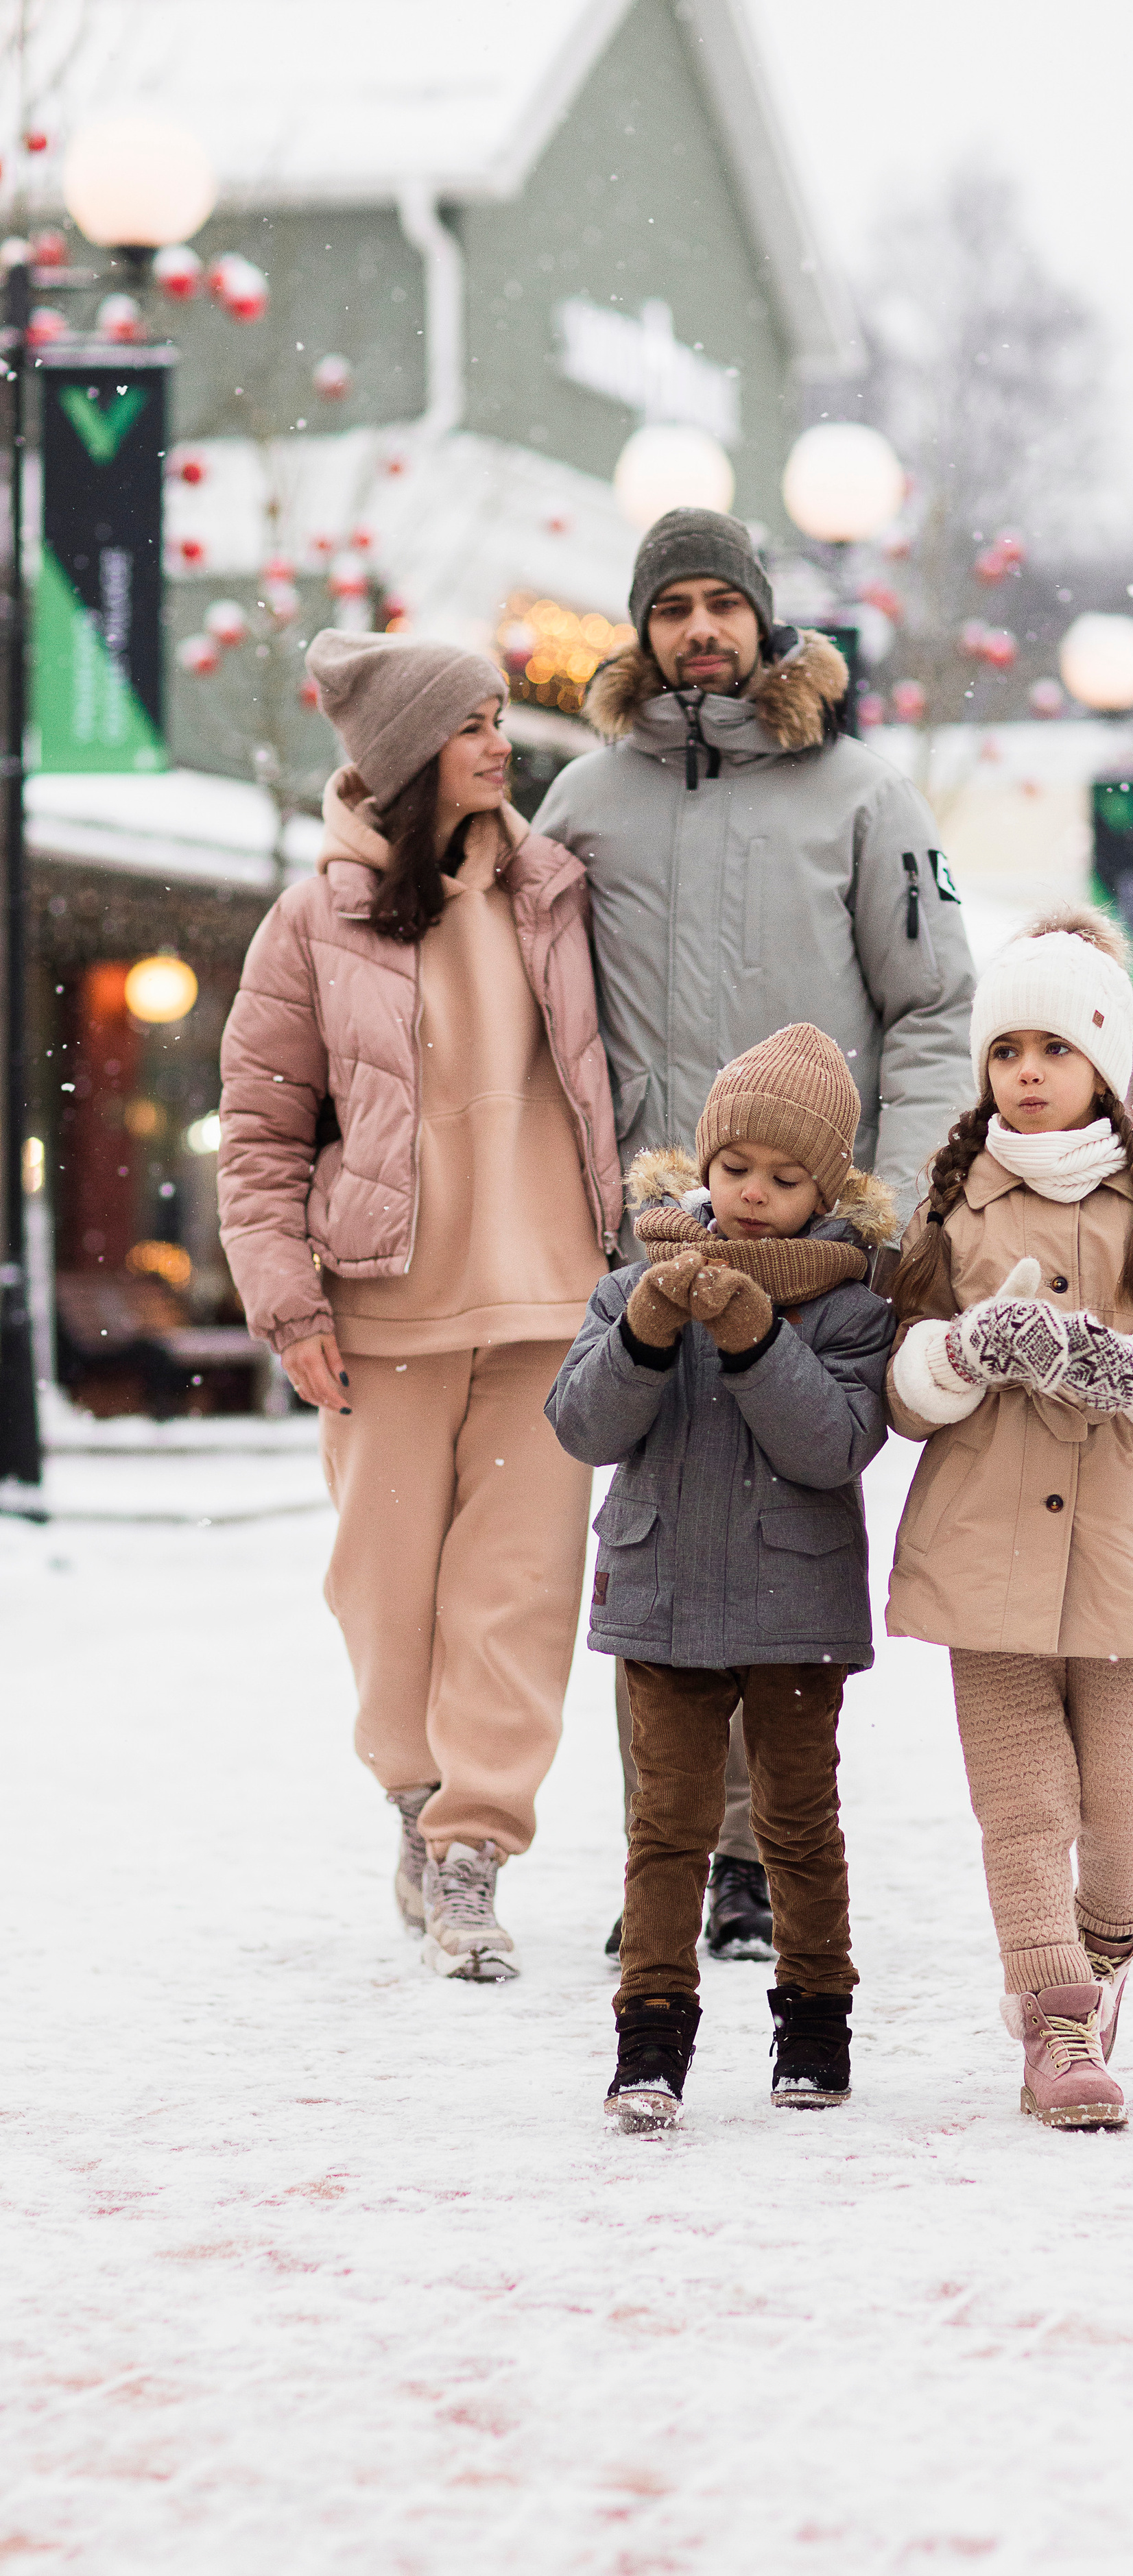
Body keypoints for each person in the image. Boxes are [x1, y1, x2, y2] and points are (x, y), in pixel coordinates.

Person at [536, 506, 973, 1957]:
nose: (700, 630)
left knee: (781, 1528)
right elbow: (533, 1004)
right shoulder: (585, 800)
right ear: (642, 630)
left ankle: (753, 1860)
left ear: (765, 617)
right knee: (656, 1537)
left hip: (811, 1236)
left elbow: (932, 1006)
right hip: (652, 1230)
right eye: (672, 608)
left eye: (722, 603)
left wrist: (897, 1201)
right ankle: (668, 1857)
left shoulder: (861, 794)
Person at [219, 629, 621, 1982]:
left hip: (549, 1303)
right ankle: (413, 1796)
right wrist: (287, 1306)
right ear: (406, 754)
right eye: (472, 724)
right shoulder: (312, 919)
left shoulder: (553, 890)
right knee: (384, 1595)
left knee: (517, 1594)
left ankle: (473, 1849)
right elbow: (261, 1128)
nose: (500, 745)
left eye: (500, 718)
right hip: (380, 1310)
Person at [882, 911, 1133, 2129]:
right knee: (1024, 1801)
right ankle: (1055, 2019)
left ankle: (1107, 1936)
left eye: (1055, 1048)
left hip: (1128, 1549)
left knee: (1127, 1793)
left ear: (1104, 1063)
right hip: (983, 1548)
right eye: (1006, 1050)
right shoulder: (951, 1206)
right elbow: (898, 1384)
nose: (1028, 1072)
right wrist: (960, 1353)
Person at [545, 1025, 896, 2130]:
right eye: (736, 1167)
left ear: (827, 1192)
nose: (753, 1194)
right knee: (666, 1827)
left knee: (799, 1826)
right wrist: (647, 1334)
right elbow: (582, 1427)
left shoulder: (852, 1309)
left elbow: (833, 1446)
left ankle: (816, 2025)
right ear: (703, 1165)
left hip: (796, 1610)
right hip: (664, 1600)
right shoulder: (634, 1285)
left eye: (786, 1179)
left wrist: (756, 1340)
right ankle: (649, 2039)